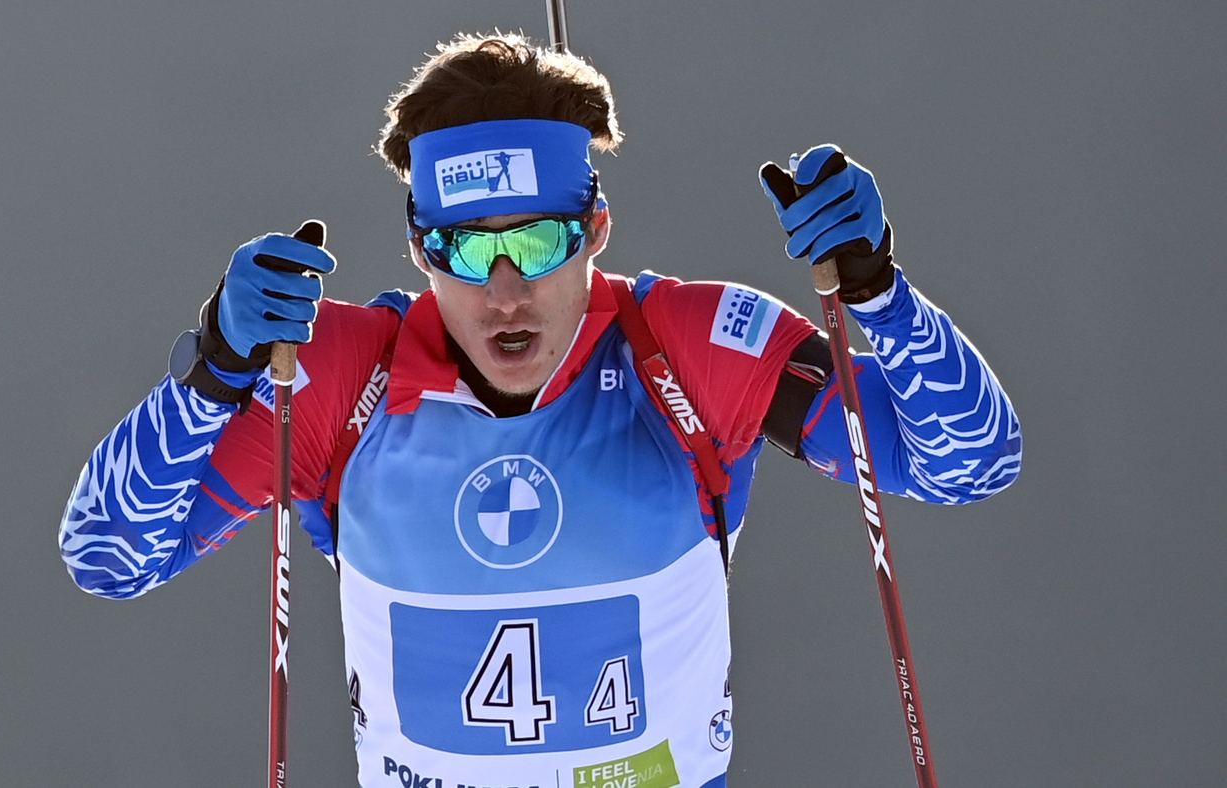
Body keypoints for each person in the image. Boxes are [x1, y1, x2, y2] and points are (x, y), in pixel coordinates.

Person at [60, 33, 1020, 788]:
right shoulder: (343, 377)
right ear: (418, 250)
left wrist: (878, 293)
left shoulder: (689, 350)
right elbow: (106, 555)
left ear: (596, 227)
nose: (506, 293)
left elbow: (969, 463)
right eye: (467, 251)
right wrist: (217, 370)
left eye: (539, 242)